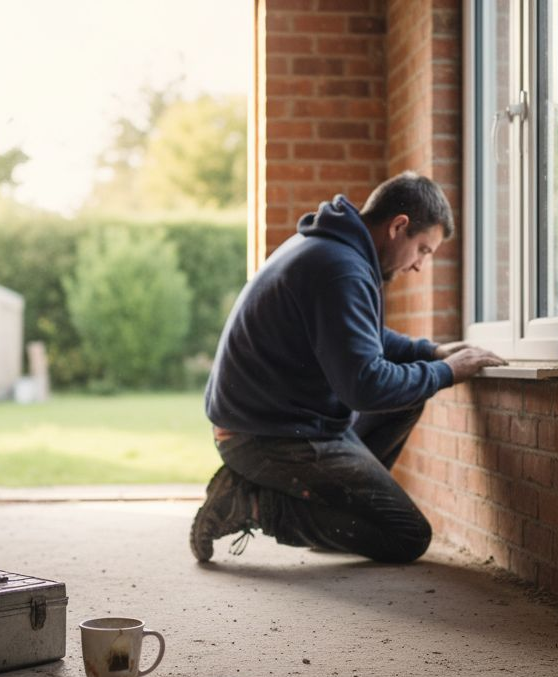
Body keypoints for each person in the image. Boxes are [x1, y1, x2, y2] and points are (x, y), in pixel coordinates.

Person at [191, 171, 505, 564]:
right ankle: (251, 504)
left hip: (279, 422)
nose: (420, 266)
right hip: (264, 436)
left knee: (407, 398)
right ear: (399, 226)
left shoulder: (335, 251)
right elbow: (365, 387)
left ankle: (336, 511)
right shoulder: (340, 267)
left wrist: (431, 352)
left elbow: (359, 337)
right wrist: (448, 372)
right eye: (423, 250)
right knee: (406, 535)